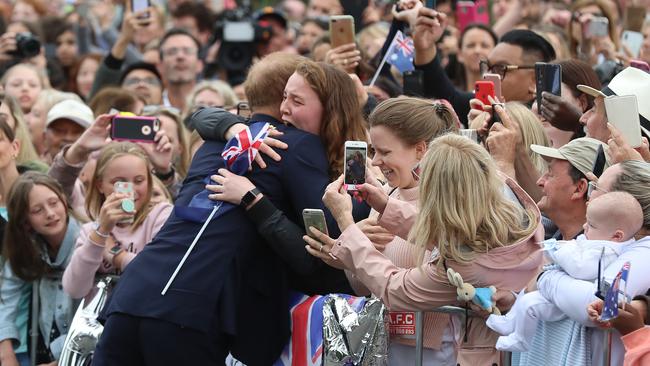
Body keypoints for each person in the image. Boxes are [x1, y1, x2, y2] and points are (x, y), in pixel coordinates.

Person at [91, 53, 360, 366]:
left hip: (134, 294)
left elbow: (203, 119)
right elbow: (322, 249)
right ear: (279, 96)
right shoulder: (295, 145)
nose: (288, 107)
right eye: (287, 97)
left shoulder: (212, 143)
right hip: (193, 311)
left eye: (296, 99)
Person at [207, 97, 458, 364]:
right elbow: (365, 284)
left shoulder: (448, 201)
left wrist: (347, 225)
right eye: (372, 151)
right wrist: (337, 252)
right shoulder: (386, 194)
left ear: (420, 150)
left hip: (432, 348)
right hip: (384, 339)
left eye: (385, 152)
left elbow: (403, 286)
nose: (374, 162)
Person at [304, 134, 544, 364]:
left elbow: (393, 287)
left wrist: (345, 221)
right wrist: (384, 204)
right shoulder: (513, 221)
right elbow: (450, 234)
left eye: (423, 178)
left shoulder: (464, 263)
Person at [517, 161, 650, 366]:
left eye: (597, 188)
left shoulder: (645, 250)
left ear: (624, 204)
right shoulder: (596, 239)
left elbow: (596, 304)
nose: (589, 195)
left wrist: (548, 277)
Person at [488, 191, 643, 351]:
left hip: (565, 303)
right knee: (527, 299)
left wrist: (559, 250)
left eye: (591, 225)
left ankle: (521, 338)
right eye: (586, 222)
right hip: (558, 292)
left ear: (617, 235)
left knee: (530, 304)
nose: (584, 227)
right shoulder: (600, 238)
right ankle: (511, 321)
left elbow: (580, 268)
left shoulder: (609, 251)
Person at [62, 142, 173, 299]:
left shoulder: (161, 215)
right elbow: (74, 290)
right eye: (119, 182)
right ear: (100, 185)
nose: (131, 190)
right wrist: (101, 233)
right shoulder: (91, 231)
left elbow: (158, 273)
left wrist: (117, 256)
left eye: (139, 180)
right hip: (102, 321)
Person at [412, 7, 556, 125]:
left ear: (534, 80)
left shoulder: (556, 122)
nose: (489, 76)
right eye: (487, 67)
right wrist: (424, 47)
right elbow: (445, 94)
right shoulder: (480, 110)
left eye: (501, 69)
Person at [0, 172, 81, 365]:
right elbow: (6, 299)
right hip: (47, 348)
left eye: (54, 203)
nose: (50, 213)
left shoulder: (87, 243)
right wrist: (6, 352)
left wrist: (61, 360)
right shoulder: (29, 247)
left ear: (64, 200)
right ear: (25, 222)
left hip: (83, 354)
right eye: (37, 210)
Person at [43, 99, 94, 163]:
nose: (68, 138)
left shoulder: (101, 172)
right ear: (44, 137)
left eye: (77, 132)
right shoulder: (30, 170)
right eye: (59, 131)